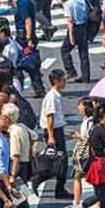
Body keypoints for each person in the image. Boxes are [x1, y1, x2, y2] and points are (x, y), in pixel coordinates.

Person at [33, 69, 71, 199]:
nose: (65, 82)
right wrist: (51, 136)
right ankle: (39, 178)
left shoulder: (56, 95)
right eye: (63, 80)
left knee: (60, 160)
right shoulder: (51, 97)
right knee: (59, 160)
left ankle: (60, 189)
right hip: (53, 131)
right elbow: (50, 118)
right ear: (56, 81)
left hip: (57, 129)